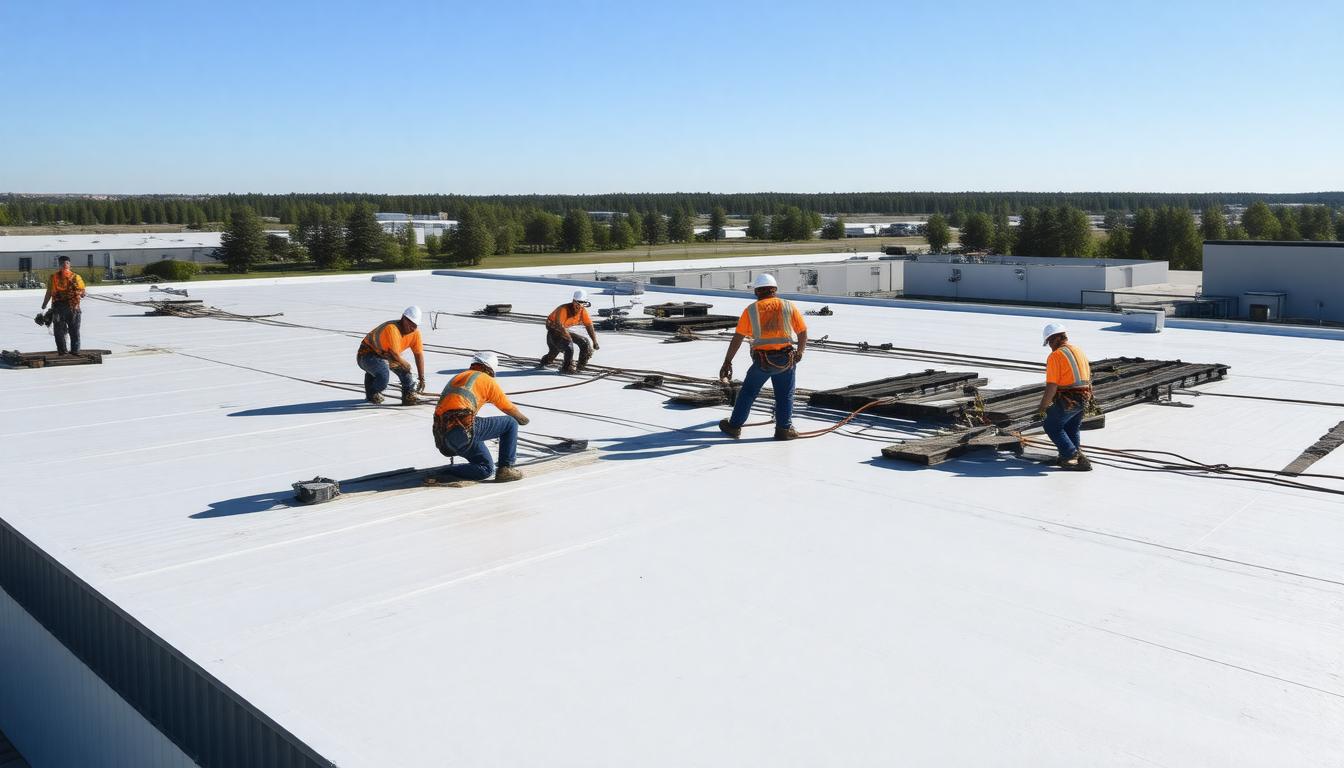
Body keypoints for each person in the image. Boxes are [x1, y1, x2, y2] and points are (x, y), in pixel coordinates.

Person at [717, 274, 808, 441]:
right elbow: (802, 331)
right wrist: (800, 352)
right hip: (786, 360)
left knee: (748, 393)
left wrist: (727, 361)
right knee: (785, 394)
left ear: (757, 292)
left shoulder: (751, 310)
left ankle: (734, 426)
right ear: (774, 290)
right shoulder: (788, 306)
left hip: (762, 362)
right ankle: (783, 429)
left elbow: (738, 337)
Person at [432, 351, 530, 483]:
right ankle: (506, 469)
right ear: (489, 369)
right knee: (510, 423)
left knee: (486, 469)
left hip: (444, 438)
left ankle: (444, 473)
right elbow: (510, 410)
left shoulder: (458, 377)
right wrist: (524, 419)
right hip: (463, 431)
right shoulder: (486, 380)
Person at [1036, 322, 1093, 471]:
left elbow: (1052, 386)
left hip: (1069, 398)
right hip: (1084, 397)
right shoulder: (1078, 350)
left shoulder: (1056, 355)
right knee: (1071, 427)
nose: (1049, 346)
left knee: (1051, 425)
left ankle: (1072, 455)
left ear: (1054, 339)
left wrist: (1042, 408)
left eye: (1049, 342)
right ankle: (1069, 457)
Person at [357, 306, 426, 405]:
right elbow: (395, 355)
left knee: (405, 371)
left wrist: (421, 377)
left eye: (415, 325)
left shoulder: (415, 333)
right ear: (403, 318)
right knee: (383, 378)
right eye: (410, 323)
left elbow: (418, 354)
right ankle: (372, 392)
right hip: (366, 355)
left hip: (386, 355)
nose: (412, 327)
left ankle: (408, 395)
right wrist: (407, 365)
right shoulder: (392, 329)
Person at [539, 289, 600, 373]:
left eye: (582, 303)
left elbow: (589, 326)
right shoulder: (563, 309)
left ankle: (581, 366)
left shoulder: (582, 311)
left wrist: (594, 341)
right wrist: (568, 338)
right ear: (573, 301)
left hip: (562, 331)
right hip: (554, 332)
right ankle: (565, 367)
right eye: (577, 302)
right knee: (565, 348)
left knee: (584, 342)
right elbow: (559, 325)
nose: (579, 306)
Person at [41, 256, 87, 355]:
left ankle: (69, 351)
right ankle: (68, 351)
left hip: (67, 308)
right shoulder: (58, 277)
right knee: (66, 331)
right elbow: (49, 292)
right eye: (63, 263)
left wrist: (44, 305)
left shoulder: (72, 277)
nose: (64, 265)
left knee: (67, 331)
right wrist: (44, 304)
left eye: (65, 263)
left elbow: (83, 292)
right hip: (65, 309)